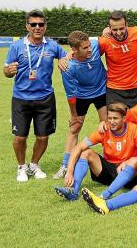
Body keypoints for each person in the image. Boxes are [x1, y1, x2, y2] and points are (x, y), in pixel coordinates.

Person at [3, 9, 67, 182]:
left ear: (45, 26)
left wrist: (63, 59)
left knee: (43, 136)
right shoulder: (17, 46)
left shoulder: (52, 45)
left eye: (41, 24)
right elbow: (6, 70)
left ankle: (34, 164)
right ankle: (21, 167)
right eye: (33, 24)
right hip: (21, 98)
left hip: (45, 98)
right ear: (27, 26)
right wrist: (8, 71)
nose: (37, 27)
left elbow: (67, 56)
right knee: (20, 136)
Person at [54, 102, 137, 201]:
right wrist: (70, 171)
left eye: (115, 118)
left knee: (134, 161)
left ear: (124, 119)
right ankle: (73, 191)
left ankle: (104, 195)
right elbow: (77, 148)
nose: (112, 122)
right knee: (85, 153)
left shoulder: (134, 130)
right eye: (109, 118)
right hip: (109, 171)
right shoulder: (104, 129)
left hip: (128, 173)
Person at [54, 31, 107, 179]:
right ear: (74, 50)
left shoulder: (95, 46)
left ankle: (108, 159)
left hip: (102, 91)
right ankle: (65, 165)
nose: (89, 49)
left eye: (89, 46)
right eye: (85, 48)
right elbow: (70, 95)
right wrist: (74, 115)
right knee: (74, 128)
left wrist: (106, 31)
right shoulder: (68, 67)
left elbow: (107, 38)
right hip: (81, 95)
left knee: (106, 126)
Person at [98, 11, 137, 108]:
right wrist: (70, 53)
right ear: (109, 28)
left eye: (121, 28)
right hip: (114, 90)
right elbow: (87, 52)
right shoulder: (105, 41)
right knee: (115, 123)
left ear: (127, 25)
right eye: (115, 30)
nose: (119, 33)